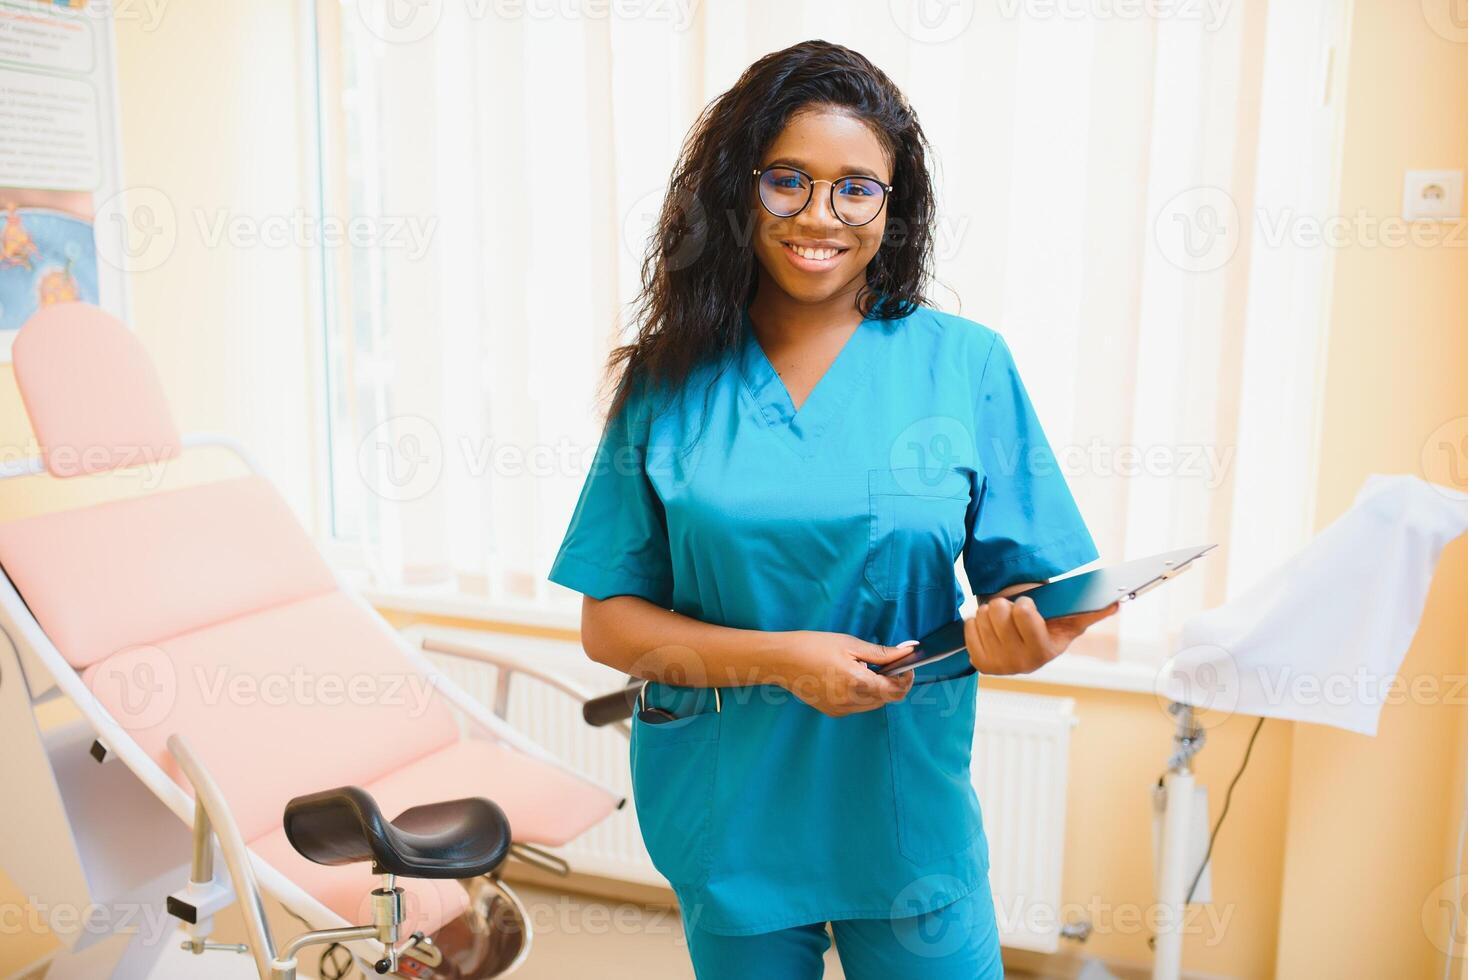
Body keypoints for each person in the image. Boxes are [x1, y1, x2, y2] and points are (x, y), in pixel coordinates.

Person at [548, 38, 1117, 979]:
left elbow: (1051, 586)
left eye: (857, 188)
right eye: (788, 182)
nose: (822, 215)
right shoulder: (668, 377)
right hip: (731, 808)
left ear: (893, 210)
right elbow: (609, 623)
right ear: (739, 190)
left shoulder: (964, 365)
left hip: (900, 808)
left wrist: (1031, 636)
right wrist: (784, 659)